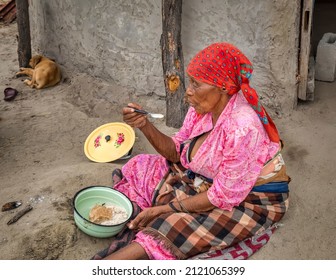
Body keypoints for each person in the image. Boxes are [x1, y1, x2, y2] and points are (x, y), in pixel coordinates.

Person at [94, 42, 290, 260]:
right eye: (190, 82)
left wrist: (165, 209)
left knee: (170, 227)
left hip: (251, 200)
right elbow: (175, 153)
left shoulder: (242, 127)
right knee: (142, 166)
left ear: (223, 86)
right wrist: (144, 124)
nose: (188, 91)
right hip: (208, 181)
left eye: (196, 84)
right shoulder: (202, 108)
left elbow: (222, 196)